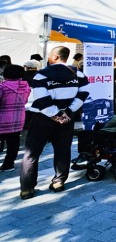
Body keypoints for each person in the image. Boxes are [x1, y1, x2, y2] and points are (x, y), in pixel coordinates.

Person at [19, 46, 89, 199]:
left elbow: (42, 99)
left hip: (43, 118)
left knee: (32, 153)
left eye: (50, 55)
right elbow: (84, 93)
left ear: (56, 57)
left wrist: (56, 114)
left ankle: (27, 188)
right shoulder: (78, 74)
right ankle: (59, 181)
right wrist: (68, 112)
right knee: (63, 149)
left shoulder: (41, 75)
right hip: (66, 118)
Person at [0, 65, 31, 172]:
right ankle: (8, 165)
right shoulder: (26, 87)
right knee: (13, 142)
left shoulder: (2, 87)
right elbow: (25, 101)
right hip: (18, 118)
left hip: (3, 118)